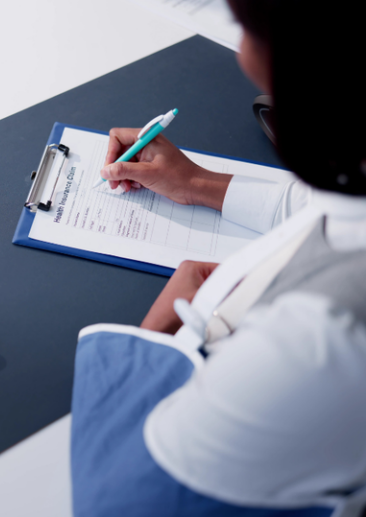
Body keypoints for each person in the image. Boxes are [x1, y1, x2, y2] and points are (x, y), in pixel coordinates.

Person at [69, 2, 366, 516]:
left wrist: (161, 334)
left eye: (247, 31)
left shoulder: (322, 341)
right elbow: (328, 205)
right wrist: (195, 185)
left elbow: (117, 499)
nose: (243, 57)